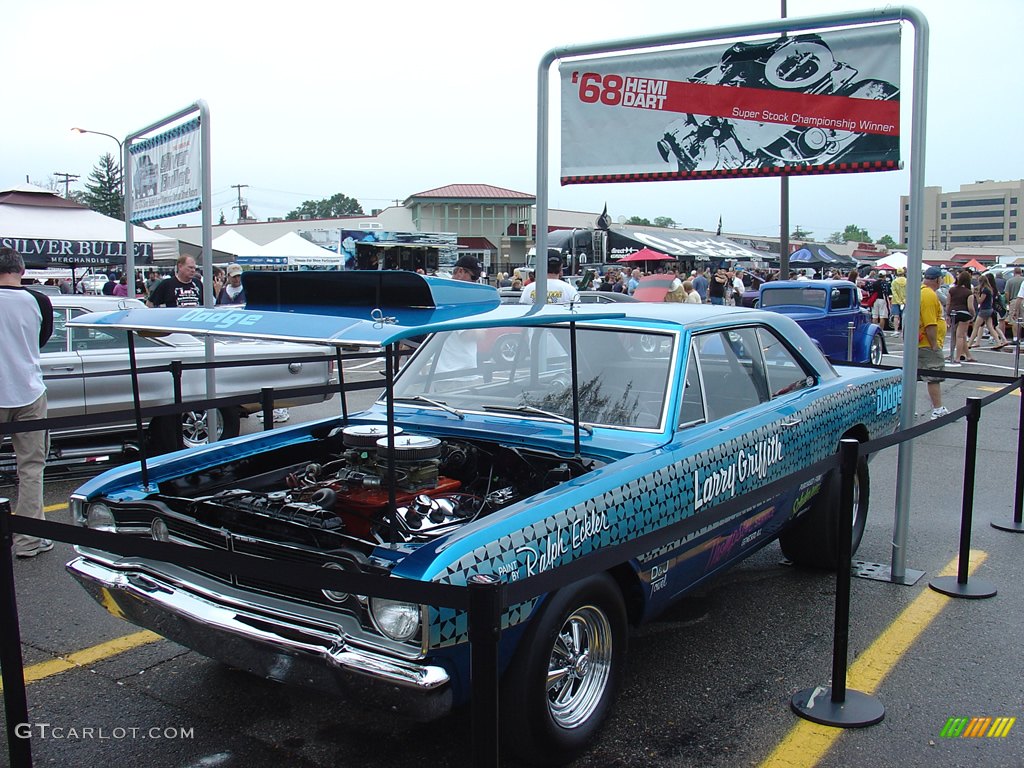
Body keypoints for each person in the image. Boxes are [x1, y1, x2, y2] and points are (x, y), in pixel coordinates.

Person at [0, 247, 54, 558]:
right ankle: (28, 540)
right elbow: (41, 338)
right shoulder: (38, 301)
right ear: (21, 270)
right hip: (29, 389)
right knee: (31, 468)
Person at [919, 266, 949, 420]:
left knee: (913, 377)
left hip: (919, 342)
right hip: (926, 343)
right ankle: (937, 408)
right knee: (934, 377)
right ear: (937, 279)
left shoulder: (921, 292)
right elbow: (930, 323)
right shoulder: (929, 295)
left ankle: (908, 408)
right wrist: (934, 344)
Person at [967, 272, 1008, 349]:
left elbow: (980, 301)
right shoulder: (989, 289)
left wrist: (976, 295)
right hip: (990, 310)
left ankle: (970, 343)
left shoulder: (985, 290)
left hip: (984, 310)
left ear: (981, 282)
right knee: (990, 327)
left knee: (976, 326)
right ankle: (998, 342)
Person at [947, 270, 975, 364]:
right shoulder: (969, 292)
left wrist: (947, 314)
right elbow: (970, 307)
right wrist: (973, 314)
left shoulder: (952, 290)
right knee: (961, 336)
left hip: (953, 313)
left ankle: (959, 355)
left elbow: (948, 303)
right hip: (964, 313)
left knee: (954, 336)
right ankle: (958, 357)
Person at [889, 267, 907, 335]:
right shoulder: (907, 281)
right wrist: (904, 300)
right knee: (904, 316)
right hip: (905, 301)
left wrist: (899, 301)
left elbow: (894, 292)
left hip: (895, 301)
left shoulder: (894, 281)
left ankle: (896, 330)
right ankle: (903, 331)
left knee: (896, 316)